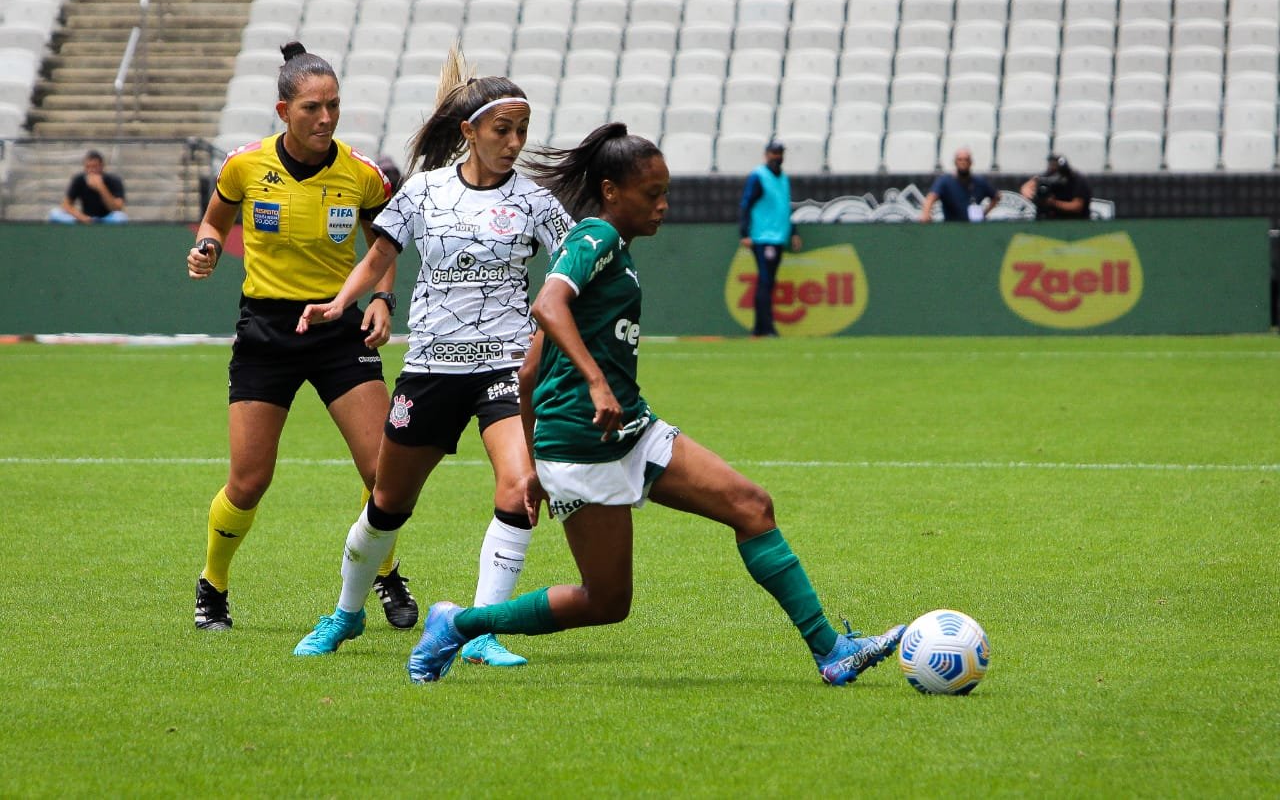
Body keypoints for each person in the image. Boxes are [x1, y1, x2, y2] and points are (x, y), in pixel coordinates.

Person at [405, 122, 905, 686]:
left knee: (751, 506)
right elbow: (547, 304)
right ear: (612, 191)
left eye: (666, 192)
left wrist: (537, 464)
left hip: (629, 428)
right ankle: (458, 624)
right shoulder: (594, 237)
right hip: (585, 441)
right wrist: (594, 385)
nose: (663, 205)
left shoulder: (614, 250)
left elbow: (528, 372)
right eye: (652, 193)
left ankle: (831, 651)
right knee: (605, 602)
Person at [290, 46, 574, 668]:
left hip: (503, 366)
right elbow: (378, 256)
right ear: (469, 131)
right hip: (430, 369)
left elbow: (574, 267)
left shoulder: (535, 203)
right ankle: (345, 614)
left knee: (519, 488)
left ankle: (481, 630)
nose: (514, 142)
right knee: (387, 504)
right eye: (502, 130)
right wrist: (340, 303)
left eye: (522, 130)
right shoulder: (423, 191)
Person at [185, 41, 418, 633]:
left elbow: (383, 247)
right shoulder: (244, 166)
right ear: (283, 110)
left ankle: (384, 571)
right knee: (249, 481)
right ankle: (213, 583)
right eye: (312, 107)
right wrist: (207, 245)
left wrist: (383, 300)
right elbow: (214, 219)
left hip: (338, 331)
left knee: (382, 473)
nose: (326, 117)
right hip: (266, 333)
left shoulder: (361, 175)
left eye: (333, 105)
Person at [738, 139, 800, 337]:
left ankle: (759, 328)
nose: (777, 157)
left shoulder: (784, 178)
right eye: (774, 153)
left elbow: (785, 207)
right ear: (766, 155)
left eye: (780, 153)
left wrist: (794, 232)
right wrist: (744, 233)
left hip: (778, 236)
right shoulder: (759, 176)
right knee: (765, 281)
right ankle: (767, 328)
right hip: (763, 236)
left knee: (769, 282)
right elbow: (746, 204)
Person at [920, 148, 1001, 223]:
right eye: (960, 160)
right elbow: (931, 197)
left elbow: (996, 197)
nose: (963, 162)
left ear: (971, 162)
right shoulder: (945, 181)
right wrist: (926, 213)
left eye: (966, 159)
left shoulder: (979, 182)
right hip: (951, 226)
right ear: (955, 162)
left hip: (973, 227)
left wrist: (984, 213)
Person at [48, 149, 128, 224]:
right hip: (84, 218)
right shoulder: (79, 179)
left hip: (107, 219)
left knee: (121, 217)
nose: (91, 170)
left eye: (94, 167)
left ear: (102, 166)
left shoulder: (114, 180)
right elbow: (66, 205)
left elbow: (117, 208)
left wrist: (101, 187)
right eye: (88, 167)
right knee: (54, 213)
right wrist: (81, 217)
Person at [1020, 155, 1092, 220]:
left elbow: (1077, 206)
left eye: (1055, 166)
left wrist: (1053, 203)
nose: (1053, 168)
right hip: (1049, 219)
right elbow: (1031, 184)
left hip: (1075, 221)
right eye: (1051, 165)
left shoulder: (1078, 180)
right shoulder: (1048, 176)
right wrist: (1029, 191)